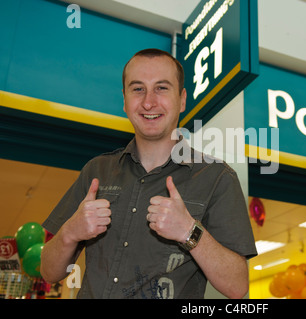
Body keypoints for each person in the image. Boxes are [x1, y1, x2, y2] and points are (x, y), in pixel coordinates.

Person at [40, 48, 257, 299]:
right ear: (124, 100)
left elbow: (238, 286)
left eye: (162, 88)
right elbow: (49, 272)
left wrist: (189, 231)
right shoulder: (96, 170)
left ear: (182, 99)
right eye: (138, 88)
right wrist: (70, 232)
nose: (148, 102)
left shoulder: (217, 177)